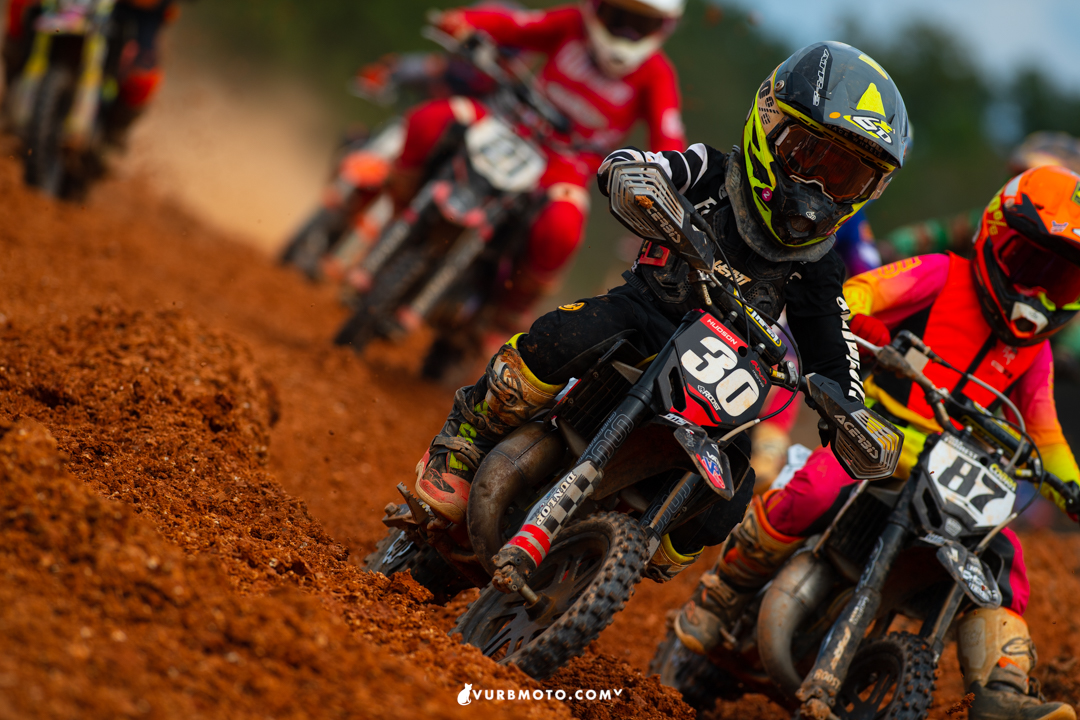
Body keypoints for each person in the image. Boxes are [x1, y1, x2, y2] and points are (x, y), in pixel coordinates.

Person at [410, 41, 910, 581]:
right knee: (561, 337)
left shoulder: (821, 265)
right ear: (771, 126)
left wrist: (851, 412)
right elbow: (646, 166)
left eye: (844, 178)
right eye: (810, 158)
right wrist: (631, 175)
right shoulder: (714, 171)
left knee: (733, 492)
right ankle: (466, 440)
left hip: (728, 379)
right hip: (646, 315)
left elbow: (831, 343)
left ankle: (630, 551)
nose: (817, 189)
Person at [675, 164, 1080, 720]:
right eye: (1030, 264)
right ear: (992, 235)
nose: (1036, 291)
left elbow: (1045, 431)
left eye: (1061, 281)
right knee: (817, 489)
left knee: (1002, 559)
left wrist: (1072, 489)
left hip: (954, 470)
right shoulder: (944, 273)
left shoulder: (1036, 354)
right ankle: (725, 590)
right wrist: (863, 324)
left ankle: (1001, 689)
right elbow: (859, 292)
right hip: (878, 433)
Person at [369, 0, 688, 341]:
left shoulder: (656, 74)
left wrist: (672, 184)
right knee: (428, 121)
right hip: (509, 124)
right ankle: (399, 213)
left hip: (566, 166)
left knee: (562, 228)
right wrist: (465, 20)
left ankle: (504, 315)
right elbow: (517, 25)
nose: (626, 32)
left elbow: (669, 140)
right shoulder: (571, 24)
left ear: (663, 27)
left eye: (640, 25)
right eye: (618, 16)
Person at [3, 0, 179, 145]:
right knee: (21, 6)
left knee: (141, 73)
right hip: (75, 5)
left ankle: (113, 133)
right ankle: (10, 92)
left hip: (132, 11)